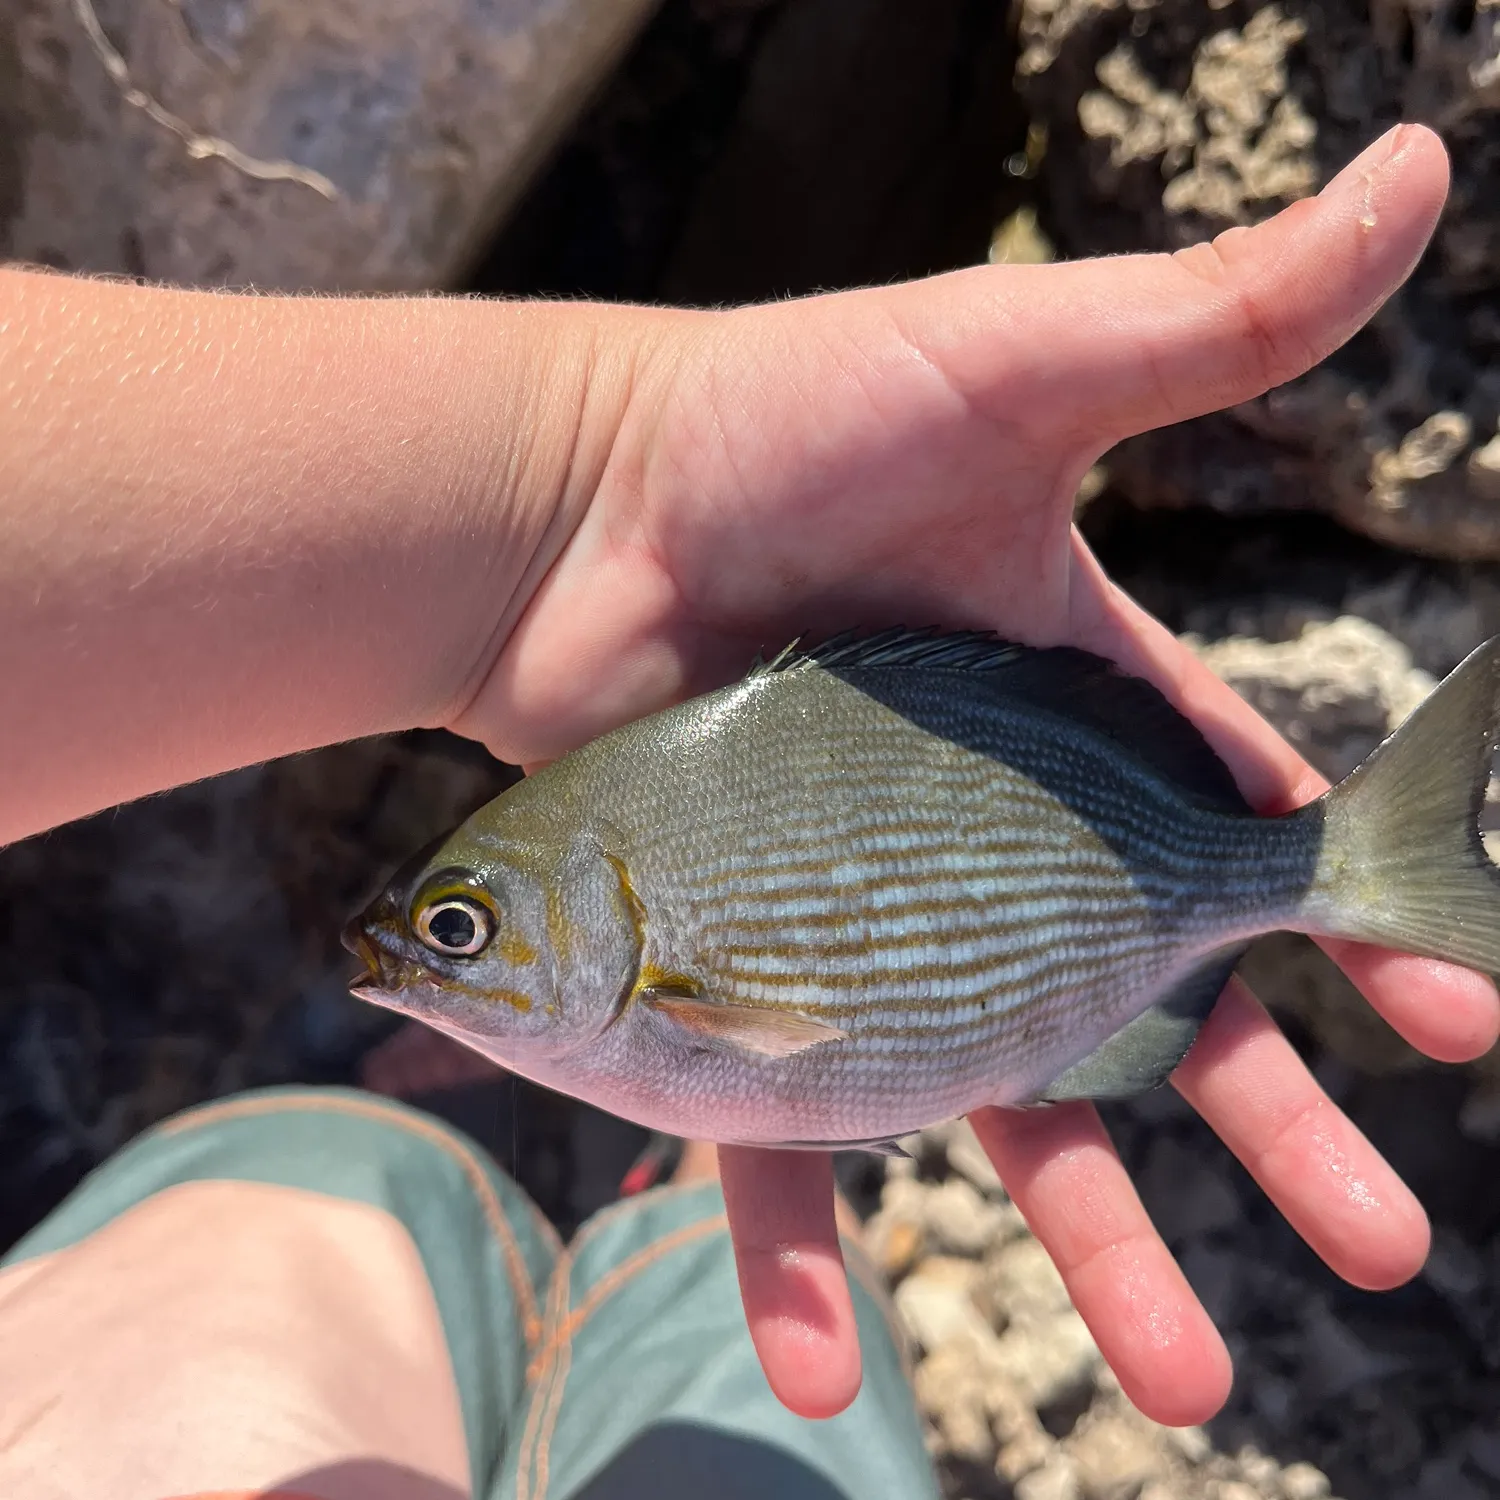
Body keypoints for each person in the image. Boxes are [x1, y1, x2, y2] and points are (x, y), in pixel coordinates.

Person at [0, 123, 1492, 1500]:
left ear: (617, 926)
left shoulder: (649, 959)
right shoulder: (632, 944)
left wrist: (582, 484)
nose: (432, 946)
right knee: (765, 1403)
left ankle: (492, 1172)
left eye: (464, 926)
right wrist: (570, 471)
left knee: (264, 1261)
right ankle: (645, 1211)